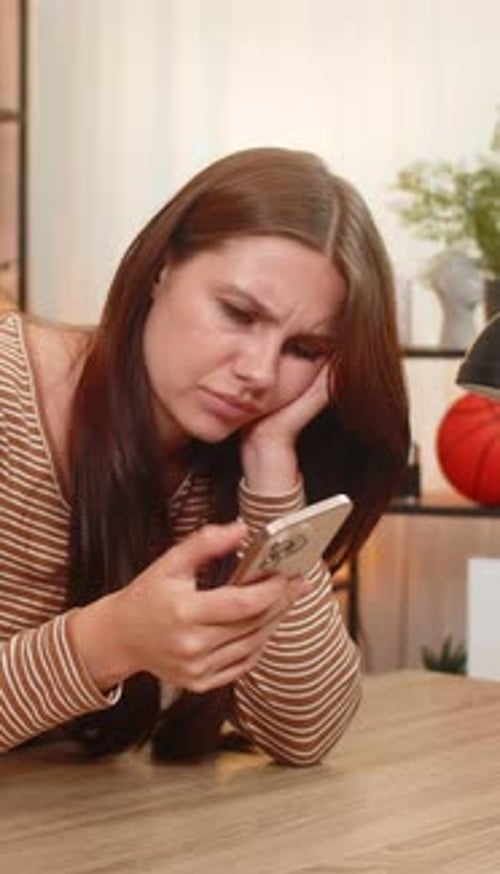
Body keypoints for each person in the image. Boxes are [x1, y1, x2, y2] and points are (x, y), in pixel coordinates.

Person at [0, 147, 409, 765]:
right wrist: (109, 640)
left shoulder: (227, 465)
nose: (258, 372)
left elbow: (305, 733)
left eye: (303, 349)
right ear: (161, 269)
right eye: (238, 313)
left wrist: (271, 468)